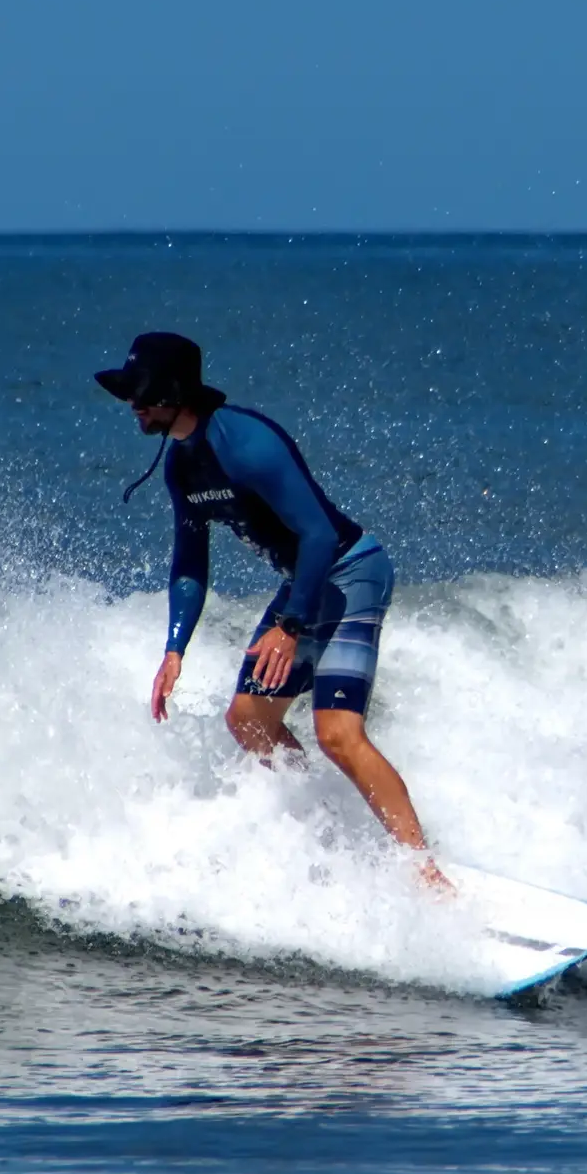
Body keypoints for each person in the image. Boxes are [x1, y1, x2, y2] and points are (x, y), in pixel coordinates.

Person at [98, 331, 446, 884]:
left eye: (140, 393)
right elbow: (190, 562)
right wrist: (174, 649)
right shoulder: (181, 466)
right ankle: (332, 833)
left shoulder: (249, 443)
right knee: (248, 720)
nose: (132, 405)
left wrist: (289, 625)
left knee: (336, 732)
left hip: (350, 570)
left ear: (173, 393)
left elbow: (317, 534)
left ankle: (426, 873)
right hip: (304, 583)